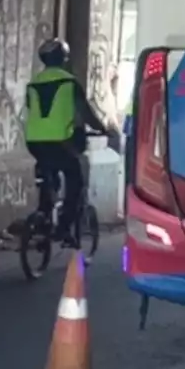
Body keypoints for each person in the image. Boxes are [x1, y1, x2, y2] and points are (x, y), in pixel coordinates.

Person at [23, 38, 116, 244]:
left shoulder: (32, 84)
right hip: (61, 141)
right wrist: (103, 129)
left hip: (35, 143)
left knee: (48, 174)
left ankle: (43, 215)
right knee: (75, 180)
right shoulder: (69, 82)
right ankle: (64, 227)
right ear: (64, 59)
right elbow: (85, 113)